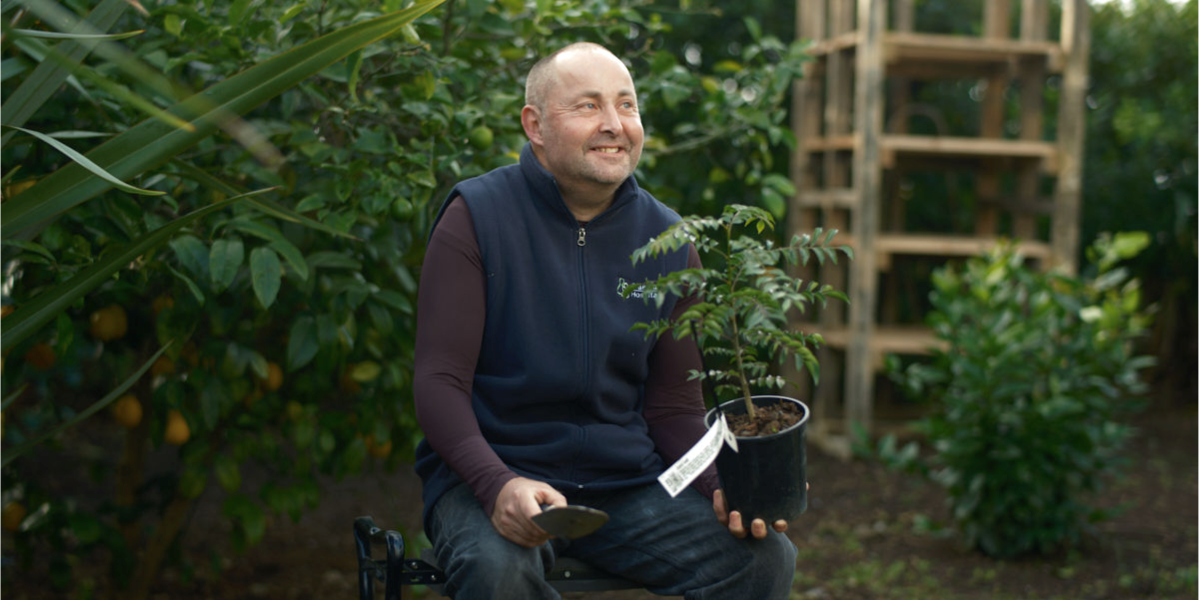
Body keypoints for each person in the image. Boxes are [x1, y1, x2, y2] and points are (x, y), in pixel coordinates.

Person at [412, 41, 798, 599]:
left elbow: (673, 408)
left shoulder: (669, 241)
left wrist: (722, 483)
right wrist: (496, 483)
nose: (614, 124)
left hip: (628, 486)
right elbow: (439, 382)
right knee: (498, 572)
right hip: (495, 476)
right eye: (588, 106)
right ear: (535, 125)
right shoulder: (476, 217)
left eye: (627, 105)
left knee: (764, 559)